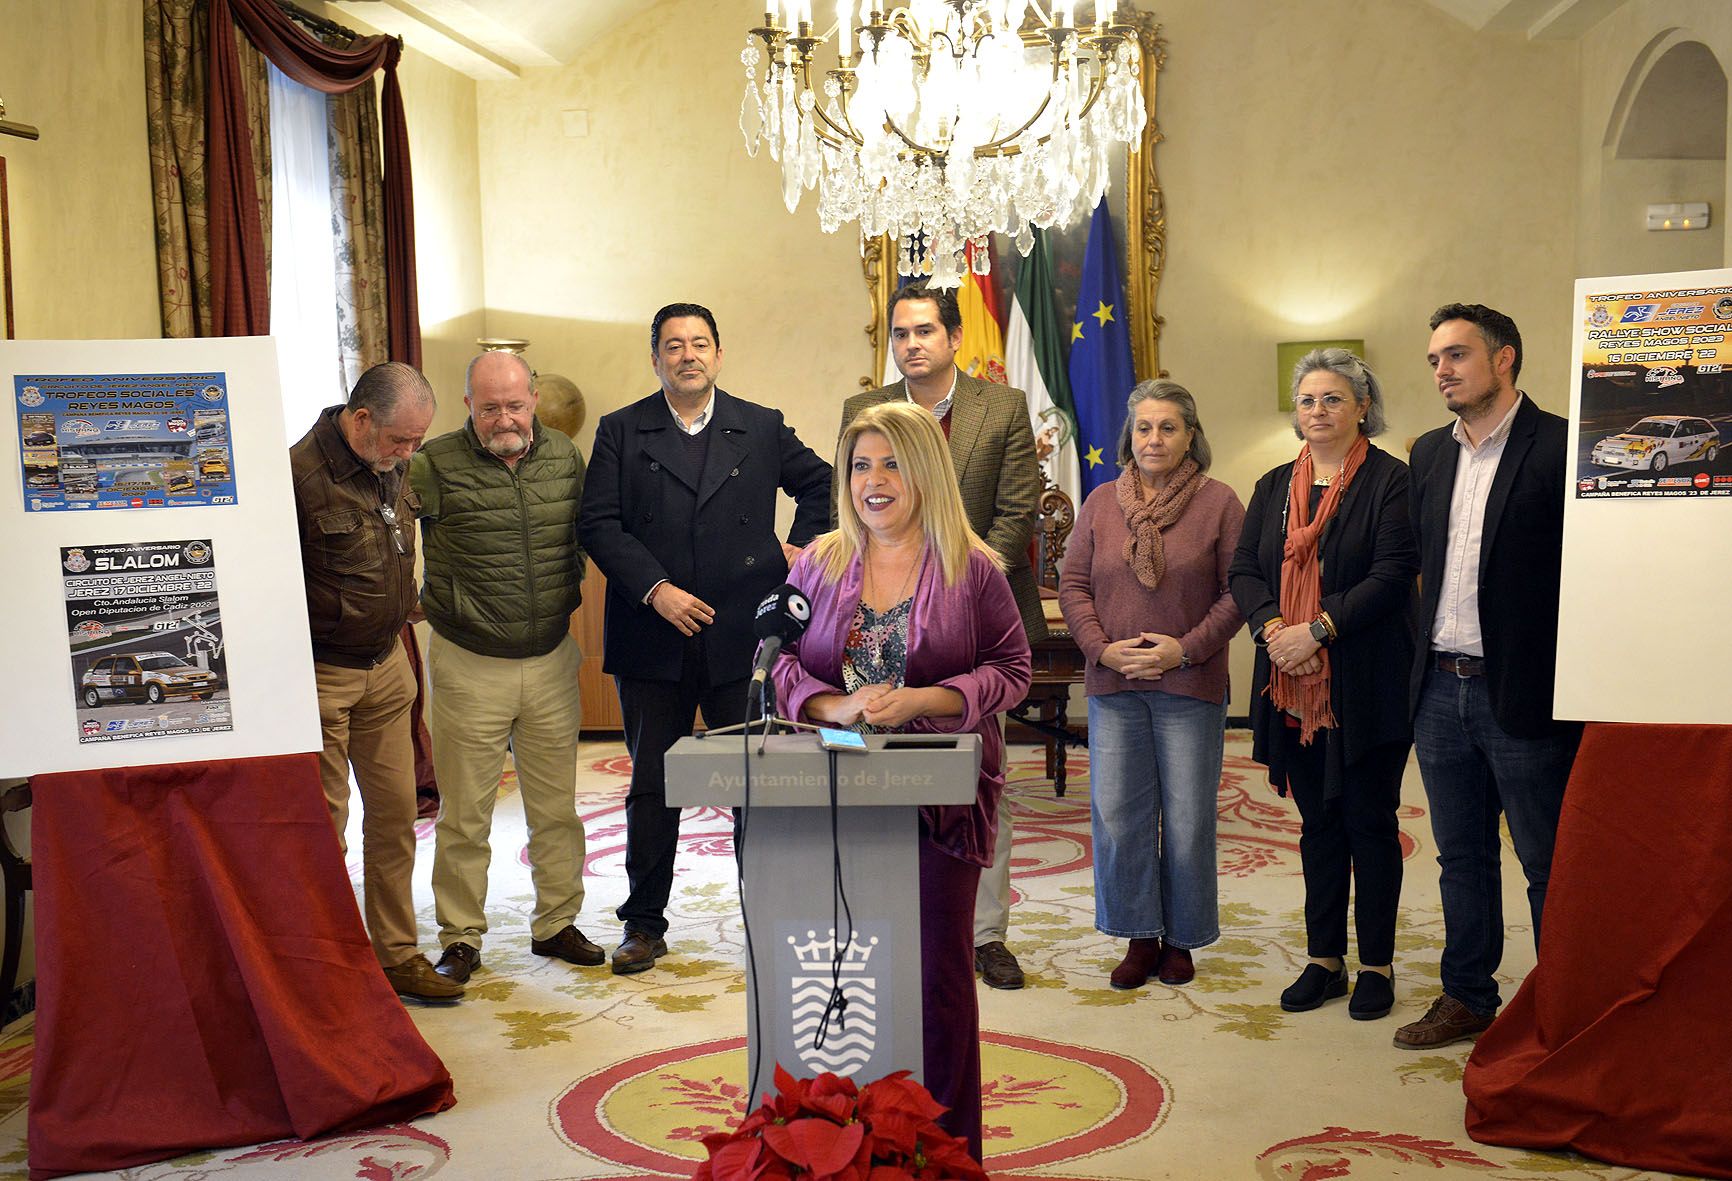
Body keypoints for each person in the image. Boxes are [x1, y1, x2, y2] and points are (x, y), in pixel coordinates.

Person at [773, 402, 1032, 1161]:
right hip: (831, 792)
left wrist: (924, 699)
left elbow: (1010, 671)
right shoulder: (816, 562)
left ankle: (949, 1151)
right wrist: (829, 702)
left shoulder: (973, 565)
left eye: (891, 464)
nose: (874, 481)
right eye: (860, 465)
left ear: (924, 471)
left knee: (935, 981)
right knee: (837, 971)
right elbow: (782, 662)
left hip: (940, 799)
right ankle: (844, 1145)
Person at [579, 302, 832, 975]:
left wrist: (797, 551)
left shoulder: (762, 425)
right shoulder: (620, 430)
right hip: (651, 632)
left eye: (699, 343)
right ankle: (643, 922)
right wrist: (655, 589)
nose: (686, 355)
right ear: (655, 357)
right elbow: (598, 523)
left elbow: (823, 484)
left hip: (740, 637)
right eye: (672, 345)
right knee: (653, 782)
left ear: (719, 354)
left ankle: (771, 910)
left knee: (756, 778)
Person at [838, 280, 1045, 992]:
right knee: (872, 773)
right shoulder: (864, 412)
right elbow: (856, 505)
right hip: (878, 622)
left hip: (973, 616)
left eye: (924, 330)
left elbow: (1019, 510)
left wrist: (956, 577)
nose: (911, 344)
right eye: (900, 334)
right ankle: (884, 917)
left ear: (955, 337)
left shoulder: (1003, 407)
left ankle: (984, 935)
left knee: (980, 782)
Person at [1395, 303, 1582, 1049]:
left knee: (1546, 860)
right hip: (1440, 688)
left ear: (1504, 359)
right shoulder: (1430, 455)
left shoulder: (1561, 447)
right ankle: (1468, 993)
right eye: (1435, 358)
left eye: (1456, 355)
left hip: (1523, 690)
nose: (1441, 369)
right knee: (1461, 855)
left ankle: (1563, 1003)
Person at [1229, 349, 1418, 1021]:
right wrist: (1277, 627)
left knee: (1370, 822)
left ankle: (1376, 966)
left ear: (1363, 406)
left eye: (1333, 398)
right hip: (1288, 680)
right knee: (1318, 826)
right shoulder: (1275, 483)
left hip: (1365, 680)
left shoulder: (1393, 479)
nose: (1318, 411)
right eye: (1307, 400)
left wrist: (1320, 630)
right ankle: (1324, 960)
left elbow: (1394, 572)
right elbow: (1245, 569)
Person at [409, 350, 598, 985]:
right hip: (469, 662)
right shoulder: (433, 463)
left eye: (514, 404)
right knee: (465, 813)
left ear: (535, 401)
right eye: (488, 407)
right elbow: (385, 529)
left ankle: (556, 922)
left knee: (556, 806)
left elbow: (581, 538)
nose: (502, 418)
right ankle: (461, 936)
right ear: (468, 406)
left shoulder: (564, 457)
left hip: (550, 657)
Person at [1058, 380, 1243, 989]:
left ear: (1191, 435)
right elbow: (1074, 587)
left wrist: (1182, 650)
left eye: (1167, 427)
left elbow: (1239, 591)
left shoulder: (1219, 503)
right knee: (1118, 815)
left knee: (1187, 818)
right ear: (1128, 437)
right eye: (1143, 427)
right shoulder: (1101, 503)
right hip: (1114, 684)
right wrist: (1103, 648)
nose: (1154, 438)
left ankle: (1182, 939)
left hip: (1189, 685)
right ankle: (1139, 934)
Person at [290, 361, 458, 1003]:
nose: (408, 453)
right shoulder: (297, 477)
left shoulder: (395, 463)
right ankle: (327, 970)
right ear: (361, 420)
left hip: (388, 666)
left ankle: (397, 955)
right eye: (399, 441)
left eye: (416, 441)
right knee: (323, 830)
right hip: (321, 673)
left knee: (394, 819)